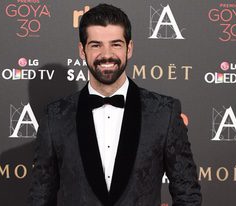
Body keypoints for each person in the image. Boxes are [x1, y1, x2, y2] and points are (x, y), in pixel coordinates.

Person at [29, 4, 201, 206]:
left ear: (129, 49)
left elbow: (187, 194)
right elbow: (40, 199)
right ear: (82, 51)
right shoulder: (56, 117)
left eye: (116, 44)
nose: (106, 54)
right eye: (96, 45)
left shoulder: (164, 112)